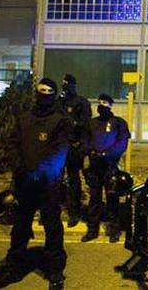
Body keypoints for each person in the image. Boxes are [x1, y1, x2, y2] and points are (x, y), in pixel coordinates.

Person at [0, 78, 73, 290]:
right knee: (20, 227)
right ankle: (13, 267)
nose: (44, 94)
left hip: (48, 185)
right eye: (41, 90)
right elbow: (12, 144)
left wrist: (41, 173)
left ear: (53, 94)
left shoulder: (60, 120)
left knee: (52, 227)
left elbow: (60, 151)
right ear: (36, 93)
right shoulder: (23, 118)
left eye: (48, 91)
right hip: (24, 182)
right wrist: (21, 169)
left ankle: (55, 271)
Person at [81, 93, 130, 243]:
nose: (102, 105)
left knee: (112, 198)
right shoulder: (91, 123)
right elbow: (85, 140)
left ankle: (113, 229)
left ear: (111, 105)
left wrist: (106, 155)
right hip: (94, 167)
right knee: (94, 199)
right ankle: (92, 229)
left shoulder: (118, 123)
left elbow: (122, 143)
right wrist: (92, 152)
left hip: (110, 166)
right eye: (99, 102)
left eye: (105, 102)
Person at [59, 73, 91, 227]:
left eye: (67, 83)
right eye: (63, 83)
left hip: (73, 147)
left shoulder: (81, 102)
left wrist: (82, 146)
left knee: (73, 180)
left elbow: (86, 124)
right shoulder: (59, 102)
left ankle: (74, 211)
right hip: (59, 147)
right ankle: (53, 208)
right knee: (54, 180)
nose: (65, 86)